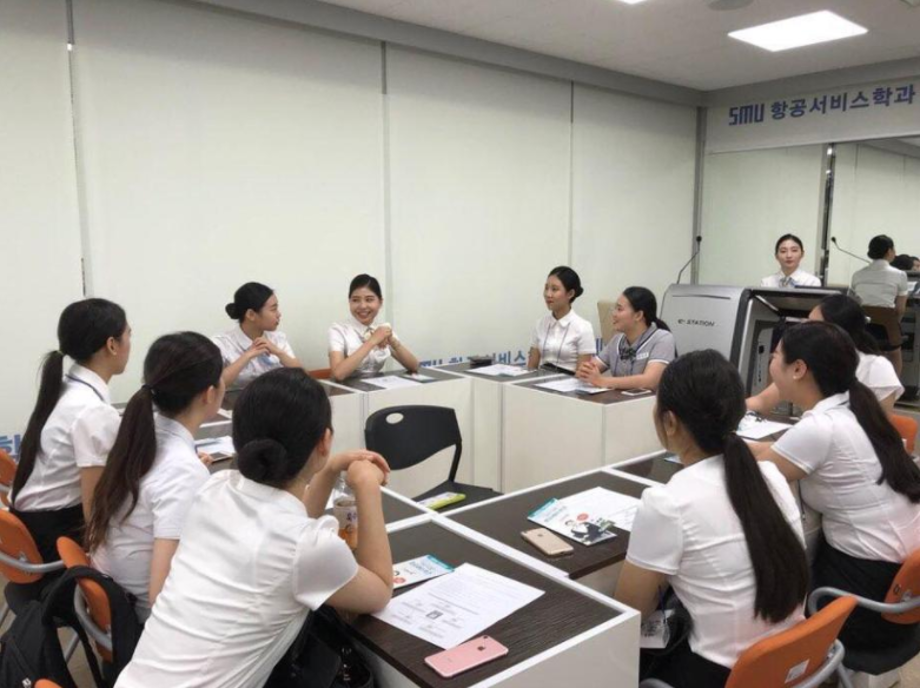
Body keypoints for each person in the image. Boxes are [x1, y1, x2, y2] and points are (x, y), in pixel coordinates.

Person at [114, 369, 393, 688]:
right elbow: (380, 589)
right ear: (324, 441)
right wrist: (366, 486)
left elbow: (290, 521)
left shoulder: (216, 487)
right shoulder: (306, 548)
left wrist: (328, 469)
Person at [616, 350, 808, 688]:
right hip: (788, 660)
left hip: (723, 675)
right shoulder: (770, 476)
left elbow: (629, 613)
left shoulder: (667, 502)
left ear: (670, 422)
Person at [753, 321, 920, 651]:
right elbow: (775, 453)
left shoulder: (820, 427)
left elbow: (757, 472)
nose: (771, 363)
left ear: (798, 369)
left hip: (865, 605)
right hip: (902, 591)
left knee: (763, 577)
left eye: (775, 356)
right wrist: (741, 445)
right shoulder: (855, 408)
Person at [88, 332, 224, 621]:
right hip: (142, 622)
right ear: (210, 393)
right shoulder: (182, 471)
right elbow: (160, 596)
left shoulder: (141, 434)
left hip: (113, 595)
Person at [11, 299, 130, 565]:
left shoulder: (67, 388)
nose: (130, 344)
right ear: (112, 345)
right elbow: (95, 507)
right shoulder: (91, 409)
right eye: (128, 335)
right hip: (54, 537)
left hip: (31, 524)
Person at [747, 295, 903, 414]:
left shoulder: (876, 368)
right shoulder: (807, 359)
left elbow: (880, 428)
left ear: (836, 332)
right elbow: (762, 401)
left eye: (814, 324)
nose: (805, 327)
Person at [576, 287, 676, 391]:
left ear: (638, 315)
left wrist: (603, 381)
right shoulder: (616, 341)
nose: (614, 314)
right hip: (619, 400)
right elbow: (591, 368)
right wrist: (585, 371)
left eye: (619, 309)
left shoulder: (662, 338)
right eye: (614, 309)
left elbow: (650, 381)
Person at [328, 274, 419, 380]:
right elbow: (338, 374)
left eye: (369, 300)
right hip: (344, 389)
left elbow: (414, 366)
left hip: (376, 388)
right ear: (349, 302)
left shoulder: (382, 329)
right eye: (355, 300)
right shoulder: (338, 330)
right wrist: (372, 341)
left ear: (380, 302)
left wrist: (393, 342)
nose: (362, 306)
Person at [213, 282, 302, 388]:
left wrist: (278, 352)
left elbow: (302, 376)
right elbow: (214, 385)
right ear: (251, 315)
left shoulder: (278, 338)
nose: (279, 314)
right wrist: (247, 356)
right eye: (273, 309)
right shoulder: (221, 343)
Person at [851, 235, 910, 375]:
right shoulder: (900, 275)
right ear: (889, 251)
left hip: (862, 329)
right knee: (895, 353)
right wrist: (895, 324)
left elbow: (852, 303)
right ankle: (893, 386)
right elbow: (900, 309)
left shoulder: (857, 275)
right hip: (887, 329)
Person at [528, 266, 596, 373]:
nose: (548, 294)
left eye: (554, 289)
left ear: (570, 294)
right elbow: (531, 368)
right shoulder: (540, 324)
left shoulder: (583, 327)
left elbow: (583, 375)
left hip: (571, 382)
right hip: (541, 381)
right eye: (546, 288)